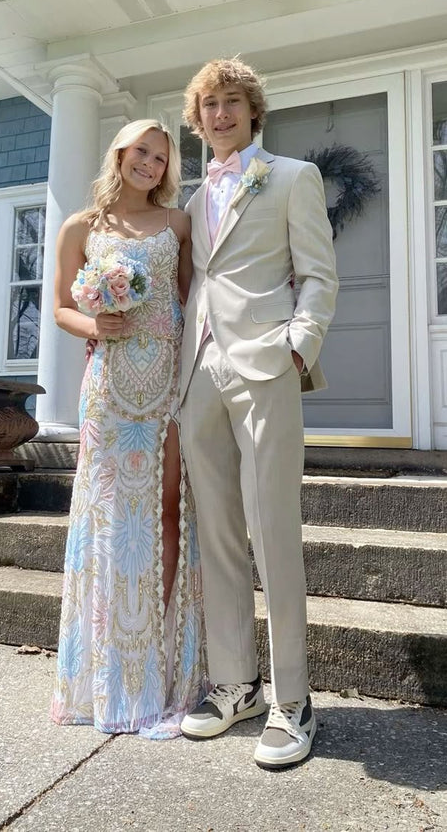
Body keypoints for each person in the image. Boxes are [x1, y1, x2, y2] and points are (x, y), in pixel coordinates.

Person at [178, 58, 339, 768]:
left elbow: (319, 275)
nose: (219, 115)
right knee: (216, 534)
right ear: (198, 119)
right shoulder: (193, 199)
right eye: (208, 105)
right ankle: (236, 684)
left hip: (265, 365)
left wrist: (297, 348)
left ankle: (293, 700)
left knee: (272, 529)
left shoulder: (292, 177)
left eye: (231, 102)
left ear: (252, 111)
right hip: (199, 373)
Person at [50, 119, 206, 740]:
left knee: (166, 511)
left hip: (166, 387)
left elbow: (193, 300)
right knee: (109, 519)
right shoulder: (80, 228)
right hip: (108, 390)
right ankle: (110, 670)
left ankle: (157, 663)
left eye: (161, 158)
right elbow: (60, 306)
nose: (151, 164)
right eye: (142, 151)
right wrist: (95, 325)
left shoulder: (178, 225)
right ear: (120, 153)